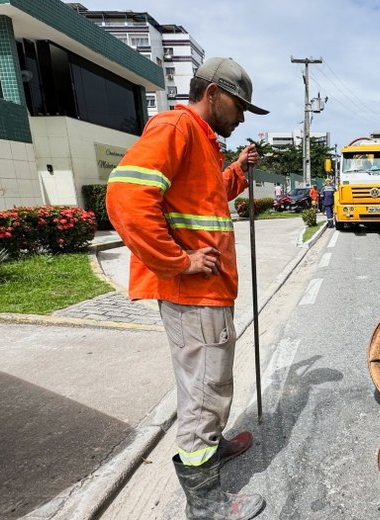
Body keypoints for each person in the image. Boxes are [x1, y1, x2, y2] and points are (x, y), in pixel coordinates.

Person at [105, 57, 268, 520]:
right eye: (239, 107)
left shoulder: (203, 141)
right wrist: (178, 261)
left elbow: (208, 196)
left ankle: (210, 452)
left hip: (208, 294)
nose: (240, 117)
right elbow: (126, 197)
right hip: (192, 294)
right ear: (212, 93)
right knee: (203, 394)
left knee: (210, 386)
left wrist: (237, 168)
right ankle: (207, 504)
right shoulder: (176, 127)